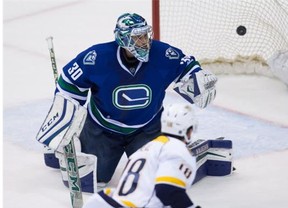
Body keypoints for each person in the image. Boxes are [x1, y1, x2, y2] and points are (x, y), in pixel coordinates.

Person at [37, 12, 217, 192]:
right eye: (137, 37)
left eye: (145, 35)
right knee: (90, 180)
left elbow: (186, 67)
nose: (144, 41)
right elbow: (69, 85)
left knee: (158, 179)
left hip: (147, 129)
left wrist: (198, 81)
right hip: (102, 130)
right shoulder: (97, 57)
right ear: (123, 39)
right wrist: (65, 124)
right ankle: (65, 147)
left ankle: (196, 153)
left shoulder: (163, 54)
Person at [80, 103, 207, 208]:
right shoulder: (177, 149)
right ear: (189, 131)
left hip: (108, 206)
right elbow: (167, 189)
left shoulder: (147, 148)